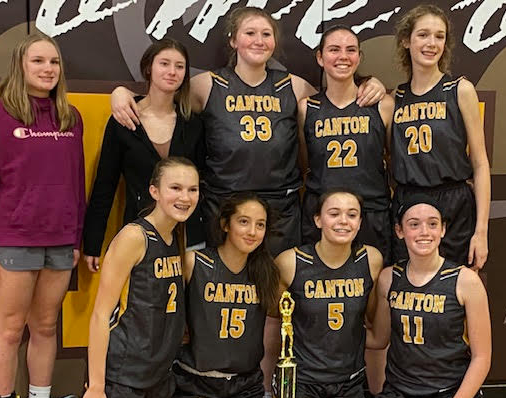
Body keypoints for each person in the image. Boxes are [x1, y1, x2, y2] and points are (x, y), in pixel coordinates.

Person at [0, 158, 200, 398]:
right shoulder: (134, 237)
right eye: (175, 188)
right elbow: (100, 316)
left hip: (157, 378)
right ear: (154, 191)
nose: (185, 197)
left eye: (192, 189)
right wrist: (97, 388)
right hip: (122, 378)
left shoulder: (176, 236)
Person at [111, 7, 385, 257]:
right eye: (250, 33)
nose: (259, 40)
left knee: (277, 287)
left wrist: (369, 82)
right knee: (226, 286)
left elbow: (336, 100)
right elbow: (162, 100)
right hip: (224, 206)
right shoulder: (207, 85)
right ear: (233, 40)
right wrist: (123, 94)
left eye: (266, 34)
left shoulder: (295, 87)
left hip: (280, 209)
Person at [0, 32, 85, 398]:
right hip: (13, 238)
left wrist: (76, 237)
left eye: (54, 62)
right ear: (20, 65)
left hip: (60, 240)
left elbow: (77, 183)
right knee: (10, 329)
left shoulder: (69, 116)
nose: (48, 69)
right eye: (38, 61)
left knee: (46, 327)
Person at [368, 193, 491, 398]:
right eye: (414, 224)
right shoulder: (388, 279)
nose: (424, 232)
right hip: (401, 395)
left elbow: (482, 358)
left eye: (432, 224)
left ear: (443, 229)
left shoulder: (465, 281)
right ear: (400, 231)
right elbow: (379, 339)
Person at [274, 189, 383, 398]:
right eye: (334, 213)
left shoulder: (370, 260)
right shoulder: (290, 262)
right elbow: (274, 318)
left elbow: (370, 318)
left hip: (347, 385)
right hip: (301, 383)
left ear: (360, 222)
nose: (343, 221)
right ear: (318, 219)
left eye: (352, 214)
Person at [172, 193, 279, 398]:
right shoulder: (195, 262)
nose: (252, 231)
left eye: (260, 224)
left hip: (243, 388)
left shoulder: (267, 273)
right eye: (243, 222)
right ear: (225, 224)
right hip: (196, 385)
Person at [82, 38, 205, 272]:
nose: (172, 72)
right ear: (149, 67)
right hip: (138, 234)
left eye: (179, 66)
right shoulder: (124, 120)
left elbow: (203, 183)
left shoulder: (194, 124)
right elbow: (105, 184)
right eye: (164, 63)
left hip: (187, 237)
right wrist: (93, 243)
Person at [391, 4, 490, 269]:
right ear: (406, 40)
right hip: (408, 201)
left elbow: (480, 164)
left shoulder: (460, 90)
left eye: (439, 36)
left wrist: (481, 232)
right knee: (408, 284)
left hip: (453, 202)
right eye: (423, 35)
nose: (431, 43)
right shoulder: (395, 98)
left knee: (455, 285)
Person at [299, 25, 394, 264]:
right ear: (320, 57)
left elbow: (395, 160)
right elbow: (304, 162)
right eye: (334, 49)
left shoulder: (382, 105)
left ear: (359, 57)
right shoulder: (307, 108)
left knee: (374, 282)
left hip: (371, 213)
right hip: (322, 216)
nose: (343, 56)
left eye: (350, 50)